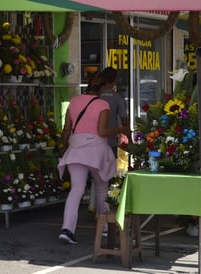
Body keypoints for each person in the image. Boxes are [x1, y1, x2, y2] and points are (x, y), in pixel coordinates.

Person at [57, 70, 131, 244]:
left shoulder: (74, 101)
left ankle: (67, 229)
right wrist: (121, 130)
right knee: (101, 189)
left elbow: (67, 129)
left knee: (76, 190)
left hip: (75, 148)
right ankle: (106, 228)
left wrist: (63, 147)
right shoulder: (102, 104)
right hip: (96, 150)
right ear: (104, 86)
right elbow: (102, 131)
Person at [88, 67, 131, 213]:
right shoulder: (117, 98)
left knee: (95, 174)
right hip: (109, 141)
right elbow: (124, 120)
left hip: (91, 141)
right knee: (108, 176)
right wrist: (128, 136)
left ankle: (93, 205)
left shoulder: (95, 97)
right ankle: (107, 208)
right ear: (114, 81)